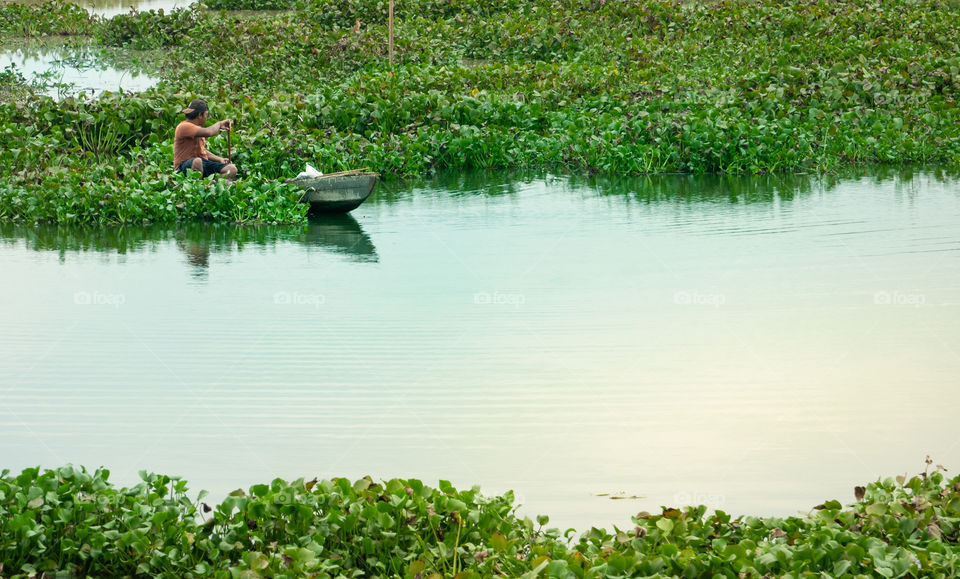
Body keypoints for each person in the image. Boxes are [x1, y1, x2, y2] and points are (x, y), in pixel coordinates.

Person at [173, 99, 237, 180]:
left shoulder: (197, 129)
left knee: (231, 169)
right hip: (183, 168)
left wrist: (219, 159)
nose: (206, 117)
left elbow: (203, 150)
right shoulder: (183, 127)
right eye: (206, 114)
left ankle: (212, 186)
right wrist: (219, 124)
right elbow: (209, 132)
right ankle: (198, 187)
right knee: (197, 162)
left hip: (202, 164)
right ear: (200, 115)